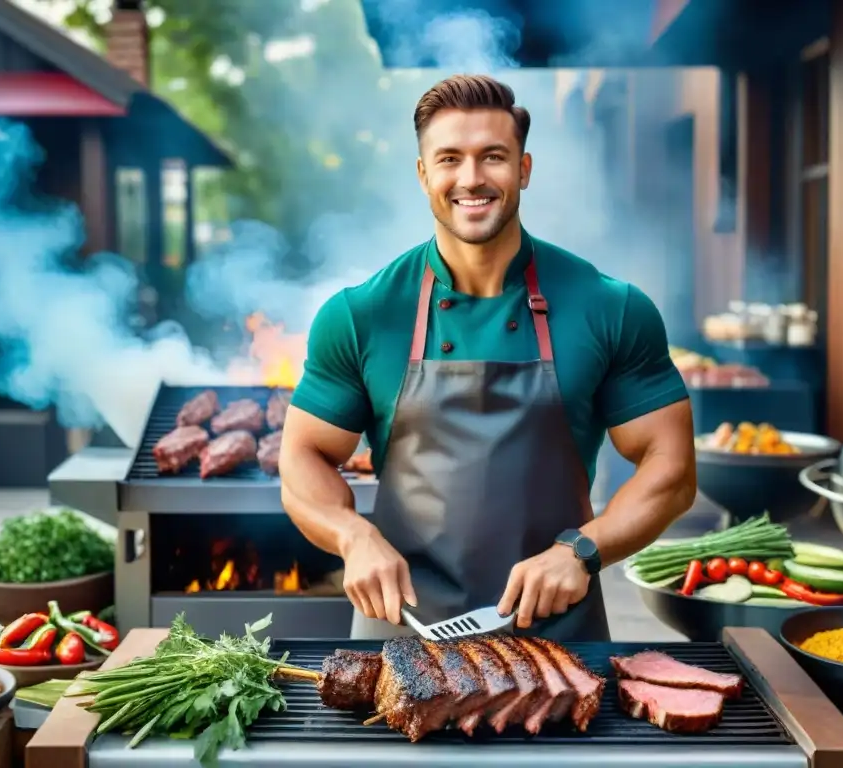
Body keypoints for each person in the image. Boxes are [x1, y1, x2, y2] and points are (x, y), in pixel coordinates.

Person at [279, 74, 696, 641]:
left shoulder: (609, 306)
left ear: (523, 169)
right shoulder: (362, 313)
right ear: (424, 174)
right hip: (402, 638)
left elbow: (670, 471)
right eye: (449, 158)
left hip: (559, 640)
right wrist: (352, 535)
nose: (471, 178)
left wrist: (582, 550)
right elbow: (303, 456)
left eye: (492, 157)